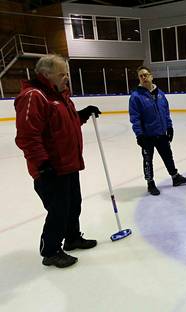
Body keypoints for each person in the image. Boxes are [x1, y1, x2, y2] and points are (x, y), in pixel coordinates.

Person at [15, 54, 101, 268]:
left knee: (73, 205)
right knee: (58, 211)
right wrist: (43, 165)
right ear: (46, 74)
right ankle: (50, 250)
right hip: (51, 169)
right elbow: (27, 136)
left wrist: (82, 114)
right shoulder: (34, 96)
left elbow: (64, 124)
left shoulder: (60, 95)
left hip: (69, 164)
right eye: (62, 74)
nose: (67, 78)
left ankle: (72, 238)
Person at [129, 66, 186, 195]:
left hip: (161, 133)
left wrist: (169, 126)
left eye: (146, 75)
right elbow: (135, 118)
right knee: (148, 160)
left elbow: (166, 112)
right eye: (141, 76)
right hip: (147, 136)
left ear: (151, 76)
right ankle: (150, 183)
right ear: (139, 79)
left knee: (168, 156)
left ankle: (175, 177)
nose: (144, 77)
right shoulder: (136, 96)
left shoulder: (160, 94)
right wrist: (139, 135)